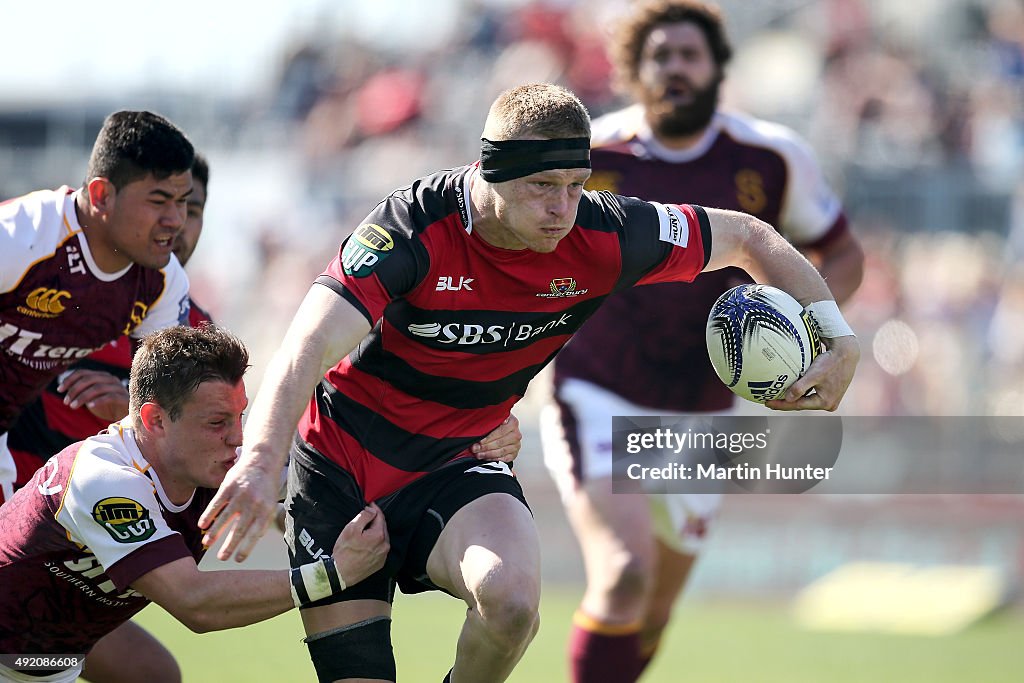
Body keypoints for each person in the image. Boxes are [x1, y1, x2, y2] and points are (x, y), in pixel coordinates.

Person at [199, 82, 860, 683]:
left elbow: (749, 237)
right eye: (543, 186)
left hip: (460, 460)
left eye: (576, 183)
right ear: (490, 170)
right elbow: (306, 345)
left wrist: (838, 336)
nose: (564, 208)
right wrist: (261, 460)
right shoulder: (411, 228)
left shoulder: (606, 233)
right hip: (344, 471)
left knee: (513, 604)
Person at [537, 2, 866, 681]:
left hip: (706, 414)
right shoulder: (591, 155)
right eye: (661, 56)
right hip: (598, 389)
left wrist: (817, 340)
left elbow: (841, 253)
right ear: (634, 70)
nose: (676, 69)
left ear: (717, 67)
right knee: (625, 575)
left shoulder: (772, 158)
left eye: (691, 54)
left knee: (653, 609)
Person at [0, 324, 390, 683]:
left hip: (50, 655)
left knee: (155, 674)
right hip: (14, 658)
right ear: (155, 420)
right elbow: (195, 603)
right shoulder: (104, 480)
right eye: (217, 423)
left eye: (240, 417)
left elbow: (329, 484)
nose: (237, 439)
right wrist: (333, 574)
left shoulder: (212, 463)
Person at [0, 110, 196, 504]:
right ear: (101, 195)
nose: (175, 220)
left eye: (183, 202)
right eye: (159, 200)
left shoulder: (162, 282)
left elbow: (171, 405)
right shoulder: (21, 238)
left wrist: (128, 398)